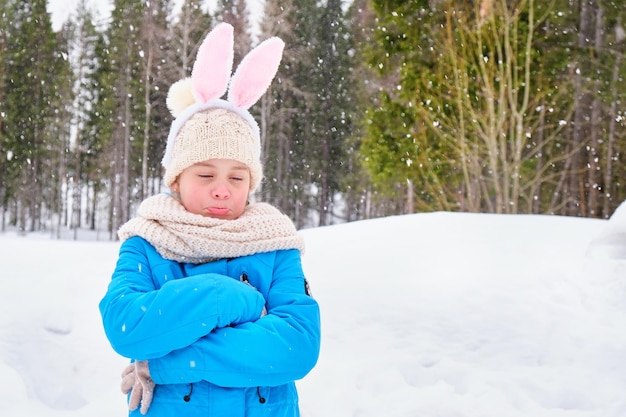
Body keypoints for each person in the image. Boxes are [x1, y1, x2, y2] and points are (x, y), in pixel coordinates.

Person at [99, 23, 321, 417]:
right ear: (177, 178)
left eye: (236, 177)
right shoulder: (148, 242)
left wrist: (167, 360)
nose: (222, 190)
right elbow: (125, 325)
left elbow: (296, 348)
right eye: (205, 175)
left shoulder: (276, 245)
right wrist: (231, 298)